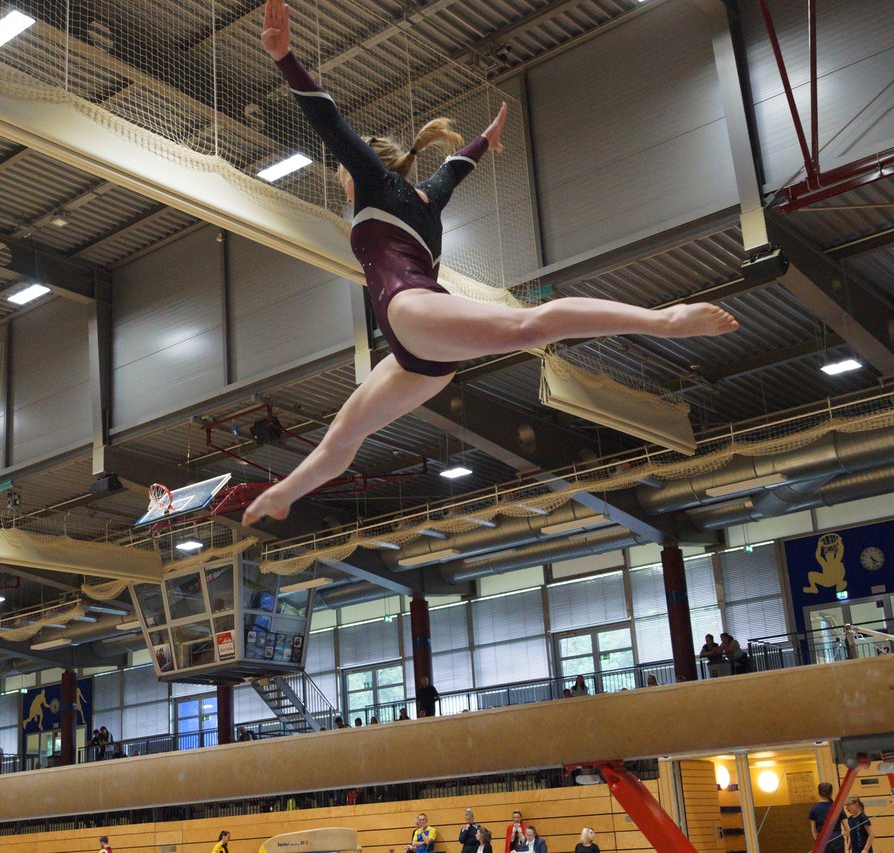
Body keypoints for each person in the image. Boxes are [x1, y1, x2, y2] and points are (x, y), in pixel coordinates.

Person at [241, 0, 739, 527]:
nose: (342, 177)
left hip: (412, 311)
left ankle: (665, 320)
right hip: (419, 352)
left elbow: (330, 121)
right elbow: (455, 168)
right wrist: (485, 140)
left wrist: (285, 58)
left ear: (360, 166)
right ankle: (284, 494)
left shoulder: (375, 183)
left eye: (343, 171)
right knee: (344, 436)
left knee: (528, 327)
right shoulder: (426, 198)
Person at [808, 782, 846, 853]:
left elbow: (813, 829)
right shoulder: (837, 807)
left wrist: (818, 841)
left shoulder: (814, 808)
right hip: (837, 839)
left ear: (819, 793)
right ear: (831, 793)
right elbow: (847, 827)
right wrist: (848, 839)